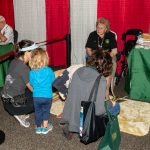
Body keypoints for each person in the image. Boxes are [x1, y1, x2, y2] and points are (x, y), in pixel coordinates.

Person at [60, 49, 113, 140]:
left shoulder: (78, 71)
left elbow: (72, 95)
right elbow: (99, 110)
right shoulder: (101, 81)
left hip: (72, 112)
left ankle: (71, 126)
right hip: (87, 116)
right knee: (113, 106)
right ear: (106, 66)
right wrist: (110, 104)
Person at [1, 40, 37, 127]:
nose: (35, 54)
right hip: (13, 104)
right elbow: (33, 88)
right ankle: (19, 113)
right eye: (34, 52)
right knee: (40, 98)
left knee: (29, 91)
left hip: (5, 98)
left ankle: (19, 109)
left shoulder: (15, 61)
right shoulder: (24, 68)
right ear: (27, 52)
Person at [85, 17, 117, 99]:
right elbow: (88, 49)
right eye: (97, 27)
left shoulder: (111, 35)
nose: (98, 29)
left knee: (113, 64)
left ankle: (107, 89)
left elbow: (114, 51)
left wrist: (106, 58)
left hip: (107, 57)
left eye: (101, 28)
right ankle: (91, 87)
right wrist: (93, 57)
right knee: (90, 64)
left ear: (106, 28)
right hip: (95, 56)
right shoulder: (92, 35)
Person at [29, 48, 55, 134]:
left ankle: (38, 127)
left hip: (36, 96)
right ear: (45, 59)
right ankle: (45, 127)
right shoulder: (49, 71)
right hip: (47, 96)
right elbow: (53, 81)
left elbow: (32, 83)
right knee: (46, 111)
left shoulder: (32, 72)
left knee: (38, 111)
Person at [0, 15, 14, 87]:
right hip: (1, 47)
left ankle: (4, 81)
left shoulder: (9, 29)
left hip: (8, 47)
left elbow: (3, 40)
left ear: (3, 22)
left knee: (1, 57)